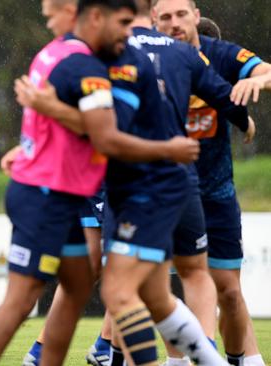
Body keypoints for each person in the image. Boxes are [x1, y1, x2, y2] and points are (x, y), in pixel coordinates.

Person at [0, 0, 208, 364]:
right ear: (92, 15)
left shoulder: (53, 53)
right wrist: (168, 148)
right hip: (45, 196)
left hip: (58, 193)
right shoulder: (85, 66)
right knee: (20, 302)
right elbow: (107, 137)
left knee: (80, 285)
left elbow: (63, 123)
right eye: (125, 22)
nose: (131, 34)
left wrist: (34, 143)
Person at [154, 1, 271, 365]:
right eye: (166, 17)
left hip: (216, 192)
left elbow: (265, 71)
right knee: (175, 290)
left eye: (181, 15)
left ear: (195, 15)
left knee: (229, 292)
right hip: (168, 191)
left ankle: (238, 358)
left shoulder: (220, 55)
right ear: (153, 21)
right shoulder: (145, 59)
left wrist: (256, 79)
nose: (175, 24)